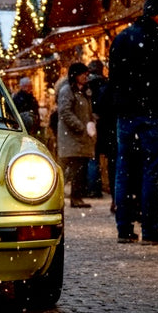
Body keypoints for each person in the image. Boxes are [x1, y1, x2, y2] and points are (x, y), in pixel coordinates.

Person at [109, 0, 158, 244]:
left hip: (126, 115)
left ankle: (125, 229)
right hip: (153, 113)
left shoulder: (122, 38)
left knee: (124, 170)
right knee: (152, 171)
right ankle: (151, 229)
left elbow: (114, 79)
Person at [56, 62, 96, 208]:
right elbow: (65, 112)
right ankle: (61, 196)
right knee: (69, 169)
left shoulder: (84, 91)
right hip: (71, 137)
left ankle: (76, 197)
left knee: (79, 168)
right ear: (75, 75)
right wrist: (80, 126)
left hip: (82, 137)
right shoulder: (67, 91)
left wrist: (92, 123)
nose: (86, 76)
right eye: (83, 74)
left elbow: (87, 112)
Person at [86, 59, 117, 210]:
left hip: (99, 128)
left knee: (94, 158)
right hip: (112, 129)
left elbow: (98, 107)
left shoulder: (88, 86)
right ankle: (116, 199)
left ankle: (94, 188)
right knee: (115, 163)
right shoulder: (108, 85)